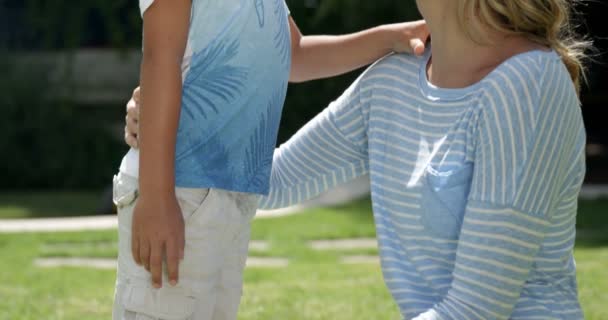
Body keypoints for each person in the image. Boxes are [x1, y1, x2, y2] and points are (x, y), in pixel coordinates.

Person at [126, 0, 589, 318]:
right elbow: (269, 179)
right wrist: (170, 132)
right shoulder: (394, 80)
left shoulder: (529, 83)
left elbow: (476, 309)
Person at [113, 0, 429, 319]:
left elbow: (295, 54)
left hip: (226, 201)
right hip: (177, 195)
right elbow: (160, 60)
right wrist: (156, 198)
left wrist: (390, 37)